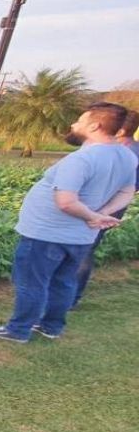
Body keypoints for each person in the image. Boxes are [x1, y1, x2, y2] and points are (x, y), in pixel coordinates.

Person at [0, 102, 137, 343]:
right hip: (81, 235)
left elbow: (65, 201)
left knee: (32, 282)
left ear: (95, 125)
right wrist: (102, 213)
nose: (74, 124)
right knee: (63, 281)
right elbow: (128, 192)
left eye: (80, 120)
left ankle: (18, 329)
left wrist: (94, 216)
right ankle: (51, 326)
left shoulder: (82, 159)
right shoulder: (125, 155)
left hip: (48, 233)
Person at [72, 108, 139, 306]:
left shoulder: (127, 154)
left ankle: (70, 297)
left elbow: (130, 188)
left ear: (119, 132)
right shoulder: (129, 151)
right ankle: (69, 295)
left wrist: (101, 212)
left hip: (103, 206)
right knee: (84, 248)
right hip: (103, 206)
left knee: (83, 249)